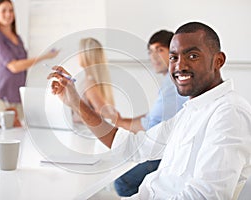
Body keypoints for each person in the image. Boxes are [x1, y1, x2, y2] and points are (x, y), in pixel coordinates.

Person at [48, 22, 251, 199]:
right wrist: (76, 103)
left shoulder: (229, 113)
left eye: (193, 55)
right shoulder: (191, 111)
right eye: (173, 57)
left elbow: (205, 196)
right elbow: (133, 146)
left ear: (218, 61)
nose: (180, 65)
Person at [114, 30, 188, 197]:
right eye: (150, 52)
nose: (153, 57)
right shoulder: (172, 80)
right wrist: (120, 120)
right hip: (171, 147)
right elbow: (151, 117)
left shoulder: (173, 82)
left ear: (173, 51)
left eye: (159, 50)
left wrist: (114, 122)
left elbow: (151, 125)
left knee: (122, 182)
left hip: (171, 153)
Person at [0, 0, 59, 120]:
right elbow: (14, 67)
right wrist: (44, 57)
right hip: (1, 98)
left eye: (11, 10)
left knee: (20, 135)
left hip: (18, 97)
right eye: (4, 10)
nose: (8, 14)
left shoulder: (17, 38)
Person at [75, 37, 115, 122]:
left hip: (85, 131)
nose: (77, 55)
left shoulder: (89, 81)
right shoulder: (91, 79)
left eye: (79, 52)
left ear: (85, 55)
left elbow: (107, 114)